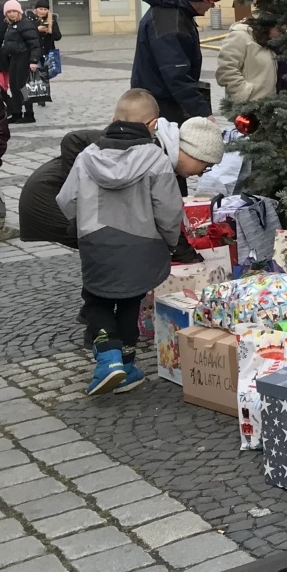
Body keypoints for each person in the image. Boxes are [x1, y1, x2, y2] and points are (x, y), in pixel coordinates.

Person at [57, 90, 185, 395]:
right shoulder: (156, 158)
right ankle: (125, 365)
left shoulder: (87, 155)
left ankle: (109, 360)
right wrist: (170, 241)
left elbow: (66, 200)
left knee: (97, 299)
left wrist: (83, 225)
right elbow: (169, 210)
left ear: (113, 119)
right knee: (130, 299)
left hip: (97, 241)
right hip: (141, 245)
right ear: (153, 124)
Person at [130, 0, 213, 124]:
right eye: (209, 0)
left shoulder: (175, 12)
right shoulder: (170, 21)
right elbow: (176, 73)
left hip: (158, 97)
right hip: (160, 103)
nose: (212, 5)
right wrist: (203, 112)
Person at [214, 14, 280, 107]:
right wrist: (243, 93)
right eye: (280, 31)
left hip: (279, 106)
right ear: (269, 26)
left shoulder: (279, 44)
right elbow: (226, 69)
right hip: (251, 105)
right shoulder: (241, 36)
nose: (282, 35)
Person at [0, 1, 42, 124]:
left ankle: (29, 114)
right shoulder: (11, 24)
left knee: (23, 87)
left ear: (19, 12)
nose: (11, 14)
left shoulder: (25, 24)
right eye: (9, 12)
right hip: (14, 58)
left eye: (14, 11)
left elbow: (34, 44)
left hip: (24, 57)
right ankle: (17, 113)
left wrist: (33, 60)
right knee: (14, 87)